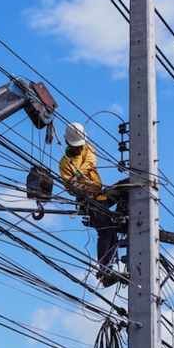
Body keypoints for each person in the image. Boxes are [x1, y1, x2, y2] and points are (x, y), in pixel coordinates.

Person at [58, 122, 125, 286]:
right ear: (67, 143)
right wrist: (76, 181)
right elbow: (71, 188)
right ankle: (104, 270)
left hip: (100, 194)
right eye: (76, 146)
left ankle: (123, 216)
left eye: (80, 145)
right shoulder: (64, 164)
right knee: (106, 231)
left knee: (128, 186)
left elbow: (90, 161)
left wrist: (78, 173)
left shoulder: (87, 148)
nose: (79, 149)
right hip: (87, 201)